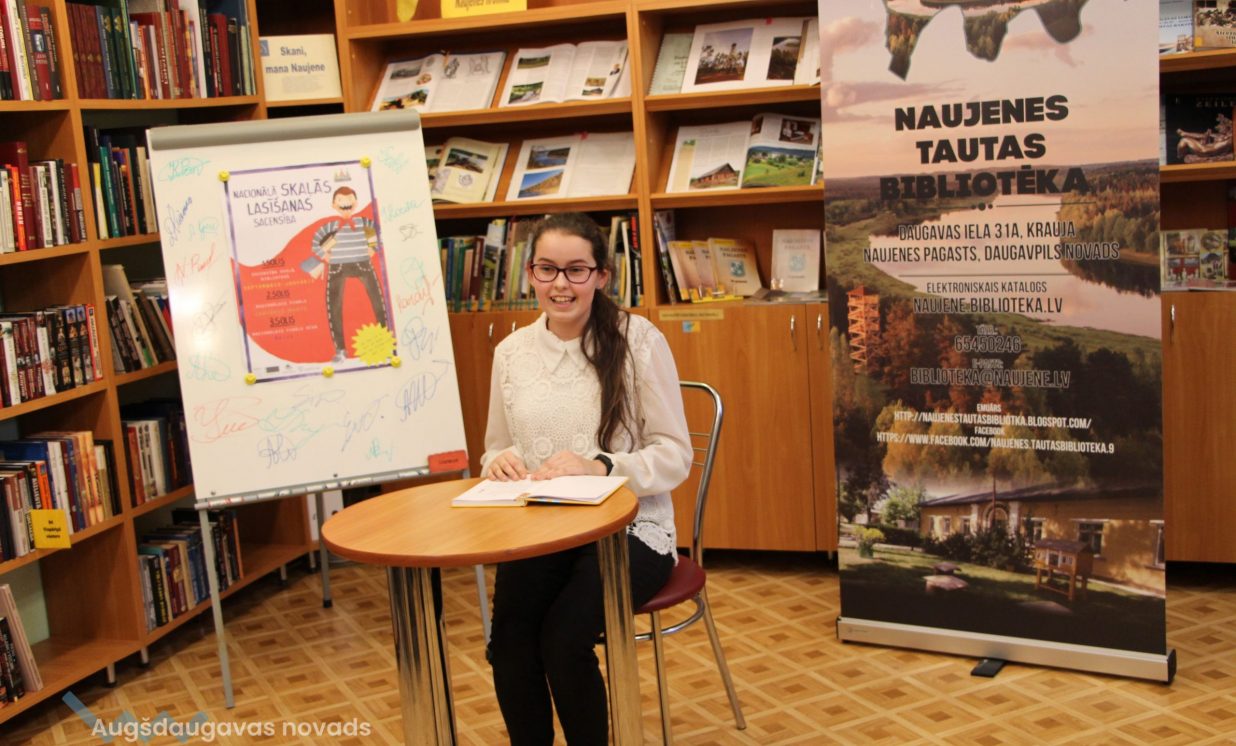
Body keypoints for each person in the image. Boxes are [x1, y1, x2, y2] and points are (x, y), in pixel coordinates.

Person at [481, 212, 692, 745]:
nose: (561, 284)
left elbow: (675, 456)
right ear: (530, 273)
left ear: (601, 275)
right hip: (543, 529)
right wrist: (498, 462)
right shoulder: (510, 353)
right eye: (546, 269)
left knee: (562, 639)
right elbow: (496, 445)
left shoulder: (637, 341)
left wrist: (604, 466)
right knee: (509, 642)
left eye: (576, 270)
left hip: (630, 531)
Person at [309, 186, 390, 362]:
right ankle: (340, 350)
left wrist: (372, 250)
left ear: (355, 203)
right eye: (340, 199)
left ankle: (385, 343)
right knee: (334, 307)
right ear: (333, 204)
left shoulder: (363, 223)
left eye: (349, 199)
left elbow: (378, 235)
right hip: (337, 267)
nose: (345, 203)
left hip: (363, 264)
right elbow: (315, 243)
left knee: (377, 302)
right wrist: (326, 255)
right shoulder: (331, 226)